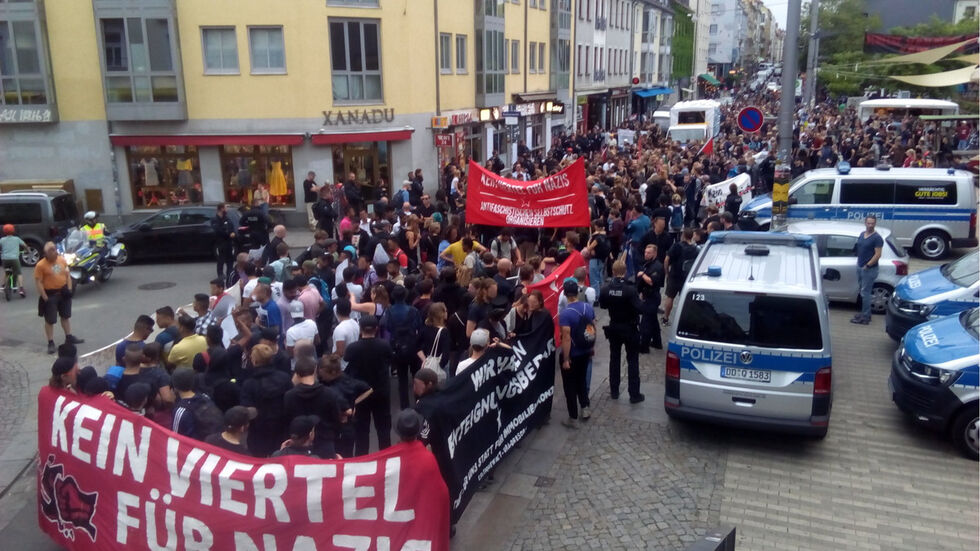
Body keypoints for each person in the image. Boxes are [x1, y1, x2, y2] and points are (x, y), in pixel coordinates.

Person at [344, 315, 394, 455]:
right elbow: (390, 359)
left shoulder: (353, 348)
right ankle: (386, 457)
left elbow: (346, 359)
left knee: (361, 429)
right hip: (381, 391)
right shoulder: (384, 345)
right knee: (384, 428)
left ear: (360, 329)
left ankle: (362, 458)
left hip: (360, 393)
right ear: (376, 329)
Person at [600, 260, 645, 403]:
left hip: (614, 326)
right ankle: (634, 394)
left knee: (615, 358)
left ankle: (614, 391)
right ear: (625, 272)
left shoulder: (606, 288)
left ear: (613, 272)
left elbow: (603, 305)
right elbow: (639, 308)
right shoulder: (630, 289)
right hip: (629, 328)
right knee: (632, 360)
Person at [283, 358, 344, 458]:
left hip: (298, 445)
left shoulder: (289, 396)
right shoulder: (329, 394)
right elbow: (336, 420)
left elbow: (286, 421)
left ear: (296, 374)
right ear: (315, 370)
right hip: (325, 443)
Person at [240, 343, 293, 457]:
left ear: (254, 361)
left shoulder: (249, 384)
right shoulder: (285, 378)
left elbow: (248, 411)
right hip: (282, 429)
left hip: (259, 432)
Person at [557, 280, 595, 427]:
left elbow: (566, 338)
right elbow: (592, 326)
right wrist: (591, 346)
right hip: (585, 350)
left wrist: (566, 359)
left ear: (566, 295)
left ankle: (572, 417)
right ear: (578, 293)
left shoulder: (566, 314)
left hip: (573, 354)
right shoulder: (587, 307)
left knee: (569, 385)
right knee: (581, 380)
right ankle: (585, 408)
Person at [35, 241, 82, 354]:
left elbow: (67, 275)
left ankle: (68, 337)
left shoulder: (61, 259)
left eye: (54, 254)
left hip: (63, 293)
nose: (53, 258)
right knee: (50, 320)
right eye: (50, 256)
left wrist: (69, 289)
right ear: (45, 254)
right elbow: (38, 282)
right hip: (50, 295)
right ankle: (50, 342)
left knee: (65, 316)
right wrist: (45, 297)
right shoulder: (40, 265)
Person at [385, 285, 422, 409]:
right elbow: (419, 326)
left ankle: (404, 406)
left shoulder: (389, 311)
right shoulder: (413, 311)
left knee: (402, 378)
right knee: (416, 375)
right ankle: (419, 402)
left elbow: (388, 327)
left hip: (397, 347)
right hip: (412, 345)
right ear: (406, 295)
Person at [171, 367, 223, 442]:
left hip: (193, 449)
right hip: (212, 444)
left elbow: (175, 438)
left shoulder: (180, 410)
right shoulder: (206, 397)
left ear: (175, 386)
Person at [661, 228, 698, 325]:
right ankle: (683, 321)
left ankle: (665, 318)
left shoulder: (676, 246)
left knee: (670, 297)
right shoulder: (695, 249)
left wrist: (667, 273)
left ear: (683, 235)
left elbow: (666, 260)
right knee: (684, 300)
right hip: (686, 278)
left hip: (674, 275)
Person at [852, 215, 883, 325]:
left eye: (872, 223)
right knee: (862, 291)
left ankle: (865, 317)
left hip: (869, 269)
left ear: (875, 224)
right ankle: (864, 313)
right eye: (868, 223)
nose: (870, 225)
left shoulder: (877, 238)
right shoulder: (862, 234)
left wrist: (868, 265)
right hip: (860, 266)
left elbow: (878, 254)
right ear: (865, 223)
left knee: (865, 293)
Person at [637, 244, 665, 352]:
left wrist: (642, 275)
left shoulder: (657, 266)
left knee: (646, 323)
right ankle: (657, 342)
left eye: (648, 253)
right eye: (645, 252)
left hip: (652, 297)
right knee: (653, 321)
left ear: (654, 253)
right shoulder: (648, 264)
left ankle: (644, 347)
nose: (646, 254)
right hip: (648, 295)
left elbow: (651, 281)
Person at [211, 203, 236, 286]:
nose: (227, 209)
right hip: (220, 243)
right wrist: (228, 233)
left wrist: (232, 232)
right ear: (221, 209)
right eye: (226, 208)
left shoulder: (227, 218)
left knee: (230, 260)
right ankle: (220, 276)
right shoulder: (215, 219)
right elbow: (218, 230)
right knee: (221, 260)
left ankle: (229, 274)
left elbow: (231, 227)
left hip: (229, 243)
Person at [1, 224, 27, 297]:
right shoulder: (16, 239)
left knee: (7, 272)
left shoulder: (2, 240)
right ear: (13, 231)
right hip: (14, 259)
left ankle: (3, 286)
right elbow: (25, 245)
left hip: (5, 259)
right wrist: (27, 250)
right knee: (19, 273)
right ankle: (21, 289)